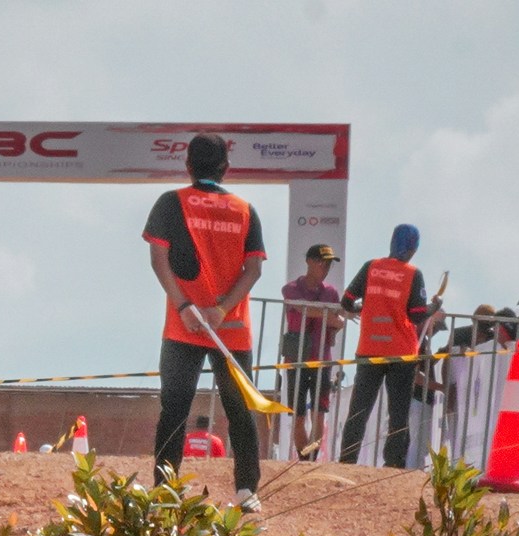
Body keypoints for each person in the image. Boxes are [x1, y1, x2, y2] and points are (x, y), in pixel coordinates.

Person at [142, 133, 267, 512]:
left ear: (187, 166)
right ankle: (247, 491)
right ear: (226, 168)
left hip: (184, 325)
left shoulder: (170, 202)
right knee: (239, 410)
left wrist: (184, 306)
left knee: (174, 409)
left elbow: (158, 260)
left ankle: (165, 488)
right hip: (231, 327)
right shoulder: (245, 209)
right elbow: (254, 269)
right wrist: (223, 309)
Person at [333, 224, 438, 470]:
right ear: (413, 248)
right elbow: (416, 315)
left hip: (369, 347)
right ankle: (393, 462)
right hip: (401, 352)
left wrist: (363, 309)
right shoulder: (413, 274)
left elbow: (347, 301)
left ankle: (347, 460)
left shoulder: (371, 267)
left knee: (359, 408)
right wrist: (435, 305)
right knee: (398, 411)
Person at [279, 241, 344, 460]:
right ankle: (304, 457)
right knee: (297, 416)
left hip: (322, 359)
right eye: (320, 262)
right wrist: (330, 316)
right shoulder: (291, 288)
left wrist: (335, 322)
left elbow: (336, 321)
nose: (324, 268)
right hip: (296, 359)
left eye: (328, 265)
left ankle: (310, 458)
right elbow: (301, 307)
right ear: (308, 261)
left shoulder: (331, 293)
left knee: (319, 413)